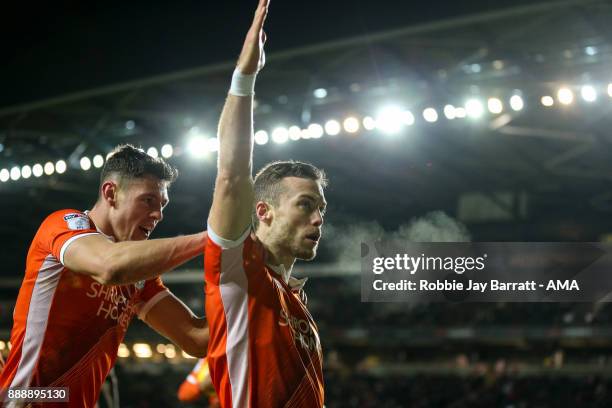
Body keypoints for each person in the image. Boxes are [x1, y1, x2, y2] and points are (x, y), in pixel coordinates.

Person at [0, 144, 209, 407]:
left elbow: (197, 339)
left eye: (162, 204)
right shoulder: (65, 225)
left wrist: (249, 279)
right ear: (111, 193)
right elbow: (109, 266)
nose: (158, 215)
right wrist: (210, 241)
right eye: (148, 200)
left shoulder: (139, 277)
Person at [204, 0, 327, 406]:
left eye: (321, 209)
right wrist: (245, 78)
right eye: (305, 205)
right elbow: (231, 175)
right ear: (264, 211)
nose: (318, 219)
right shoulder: (241, 267)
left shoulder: (294, 299)